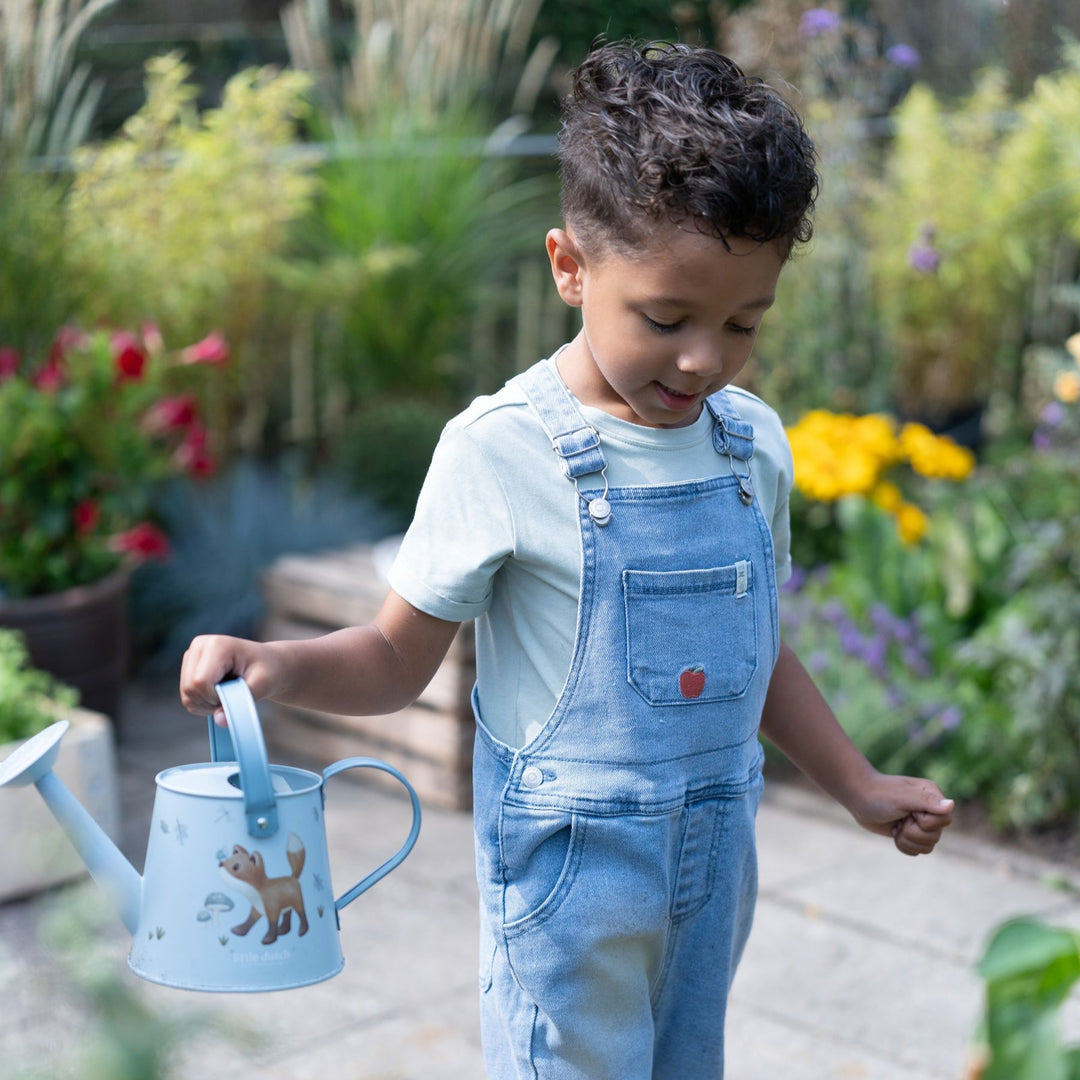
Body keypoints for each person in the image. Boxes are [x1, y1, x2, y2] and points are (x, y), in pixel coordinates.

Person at [180, 39, 954, 1079]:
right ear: (570, 267)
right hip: (571, 891)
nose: (705, 359)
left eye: (744, 323)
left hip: (717, 871)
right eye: (667, 319)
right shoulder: (500, 450)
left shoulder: (750, 443)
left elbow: (754, 648)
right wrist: (277, 669)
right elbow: (395, 659)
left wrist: (855, 783)